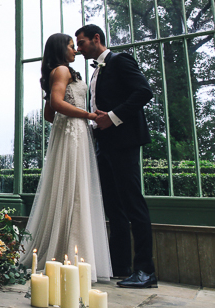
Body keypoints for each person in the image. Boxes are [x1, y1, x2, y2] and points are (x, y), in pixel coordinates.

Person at [21, 33, 112, 282]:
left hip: (69, 133)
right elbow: (58, 103)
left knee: (71, 187)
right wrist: (89, 116)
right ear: (62, 49)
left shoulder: (58, 72)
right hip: (74, 134)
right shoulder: (62, 70)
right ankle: (74, 255)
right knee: (75, 189)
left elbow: (50, 114)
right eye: (72, 46)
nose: (75, 50)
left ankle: (66, 250)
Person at [75, 24, 157, 288]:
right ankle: (120, 266)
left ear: (96, 39)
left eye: (82, 42)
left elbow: (144, 91)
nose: (78, 49)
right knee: (114, 207)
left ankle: (146, 271)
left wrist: (111, 118)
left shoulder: (120, 60)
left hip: (124, 143)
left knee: (133, 204)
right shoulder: (96, 71)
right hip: (105, 145)